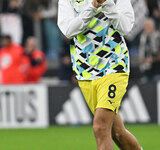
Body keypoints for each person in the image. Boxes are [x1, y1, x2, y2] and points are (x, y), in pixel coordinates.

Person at [57, 0, 142, 150]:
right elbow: (68, 30)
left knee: (100, 126)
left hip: (114, 65)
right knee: (117, 133)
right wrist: (92, 7)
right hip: (85, 71)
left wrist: (107, 3)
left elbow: (126, 27)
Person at [139, 19, 160, 83]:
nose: (148, 28)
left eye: (149, 26)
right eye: (146, 26)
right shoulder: (142, 38)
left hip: (157, 71)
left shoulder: (158, 37)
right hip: (145, 71)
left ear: (154, 27)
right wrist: (143, 59)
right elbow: (141, 54)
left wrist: (152, 59)